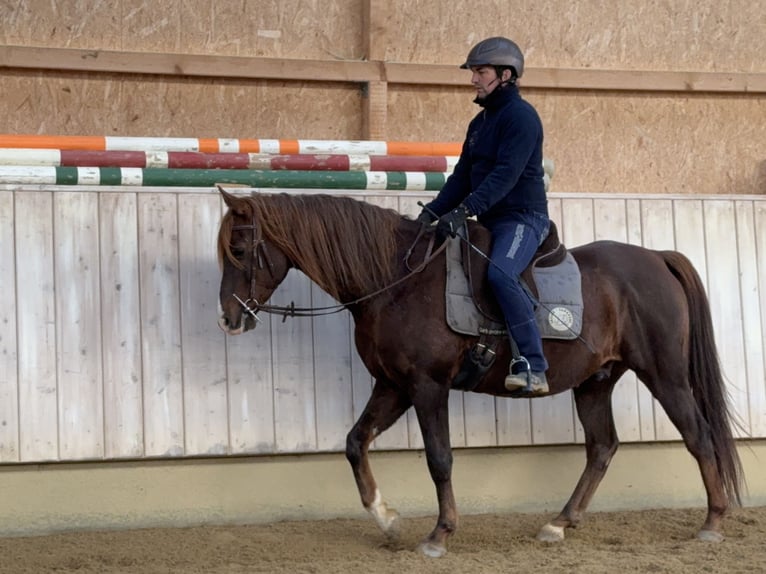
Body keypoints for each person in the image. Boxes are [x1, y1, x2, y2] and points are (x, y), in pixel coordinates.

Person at [417, 36, 550, 395]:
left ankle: (534, 366)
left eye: (481, 72)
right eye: (474, 72)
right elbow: (462, 177)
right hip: (489, 221)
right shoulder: (479, 125)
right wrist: (431, 214)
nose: (473, 79)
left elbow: (504, 176)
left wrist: (465, 211)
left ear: (505, 75)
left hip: (522, 219)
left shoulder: (521, 118)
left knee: (501, 275)